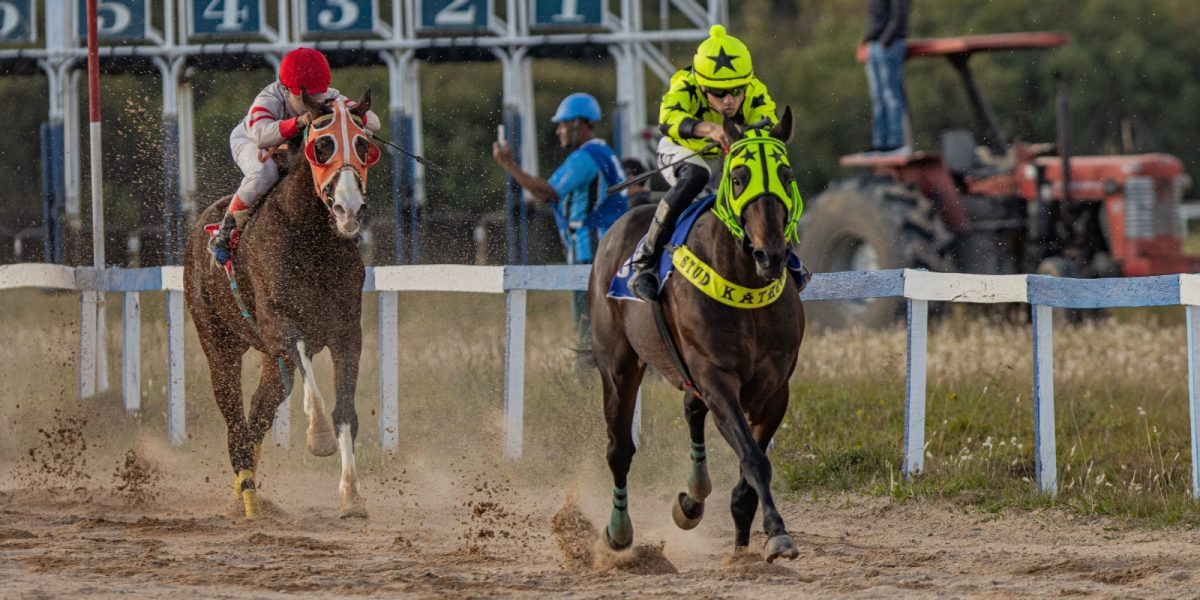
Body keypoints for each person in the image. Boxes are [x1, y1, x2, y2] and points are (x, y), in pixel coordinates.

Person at [629, 24, 778, 301]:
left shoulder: (755, 89)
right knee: (697, 174)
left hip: (726, 156)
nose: (729, 100)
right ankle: (645, 261)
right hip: (681, 149)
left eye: (736, 91)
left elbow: (769, 120)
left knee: (767, 176)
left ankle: (785, 254)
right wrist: (710, 129)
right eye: (719, 94)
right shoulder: (684, 83)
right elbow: (668, 119)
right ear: (701, 85)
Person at [209, 47, 382, 265]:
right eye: (306, 96)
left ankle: (342, 217)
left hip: (293, 149)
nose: (316, 100)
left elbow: (374, 121)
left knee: (329, 171)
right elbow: (261, 136)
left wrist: (348, 116)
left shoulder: (330, 96)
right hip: (252, 142)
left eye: (320, 93)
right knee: (265, 173)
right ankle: (226, 232)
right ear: (285, 88)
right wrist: (300, 121)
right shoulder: (269, 97)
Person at [491, 92, 627, 341]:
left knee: (588, 329)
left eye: (562, 125)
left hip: (590, 252)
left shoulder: (584, 158)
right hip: (611, 249)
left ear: (577, 124)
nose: (559, 132)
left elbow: (547, 192)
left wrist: (509, 165)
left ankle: (584, 375)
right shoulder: (605, 151)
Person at [863, 0, 911, 156]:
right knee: (877, 96)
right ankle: (880, 143)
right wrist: (867, 40)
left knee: (890, 95)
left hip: (890, 44)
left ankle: (894, 142)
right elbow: (874, 18)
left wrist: (885, 40)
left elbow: (899, 16)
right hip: (874, 45)